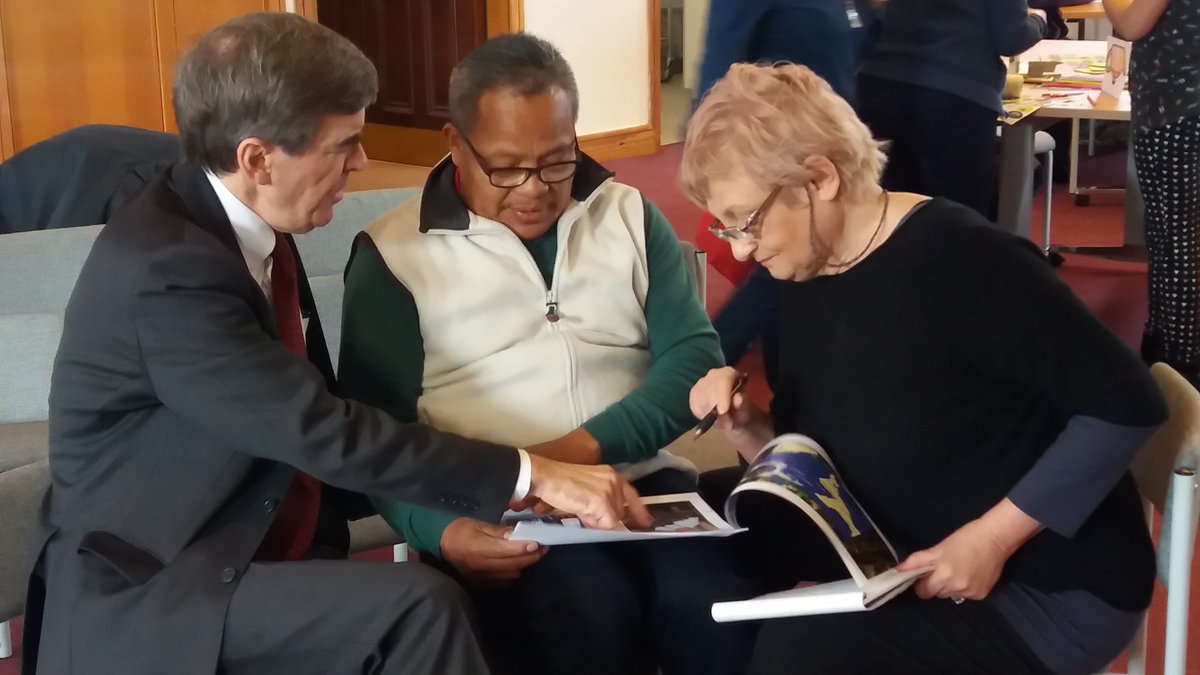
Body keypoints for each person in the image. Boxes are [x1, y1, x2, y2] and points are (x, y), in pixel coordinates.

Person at [22, 13, 647, 675]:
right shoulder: (168, 274)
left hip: (242, 536)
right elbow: (321, 428)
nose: (363, 162)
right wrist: (532, 472)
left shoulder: (251, 225)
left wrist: (448, 515)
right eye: (343, 144)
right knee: (417, 609)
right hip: (156, 582)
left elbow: (331, 419)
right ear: (257, 159)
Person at [680, 63, 1166, 675]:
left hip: (1041, 587)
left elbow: (1127, 404)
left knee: (800, 653)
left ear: (819, 179)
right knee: (697, 537)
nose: (742, 248)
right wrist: (751, 428)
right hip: (896, 540)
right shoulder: (808, 266)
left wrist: (990, 540)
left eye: (745, 222)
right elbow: (833, 454)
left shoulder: (964, 261)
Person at [338, 33, 761, 675]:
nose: (535, 189)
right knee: (588, 613)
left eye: (558, 161)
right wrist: (443, 530)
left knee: (714, 604)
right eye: (507, 167)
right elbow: (372, 435)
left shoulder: (627, 214)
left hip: (640, 482)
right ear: (456, 144)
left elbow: (692, 363)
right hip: (496, 510)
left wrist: (569, 458)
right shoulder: (392, 257)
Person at [856, 0, 1048, 218]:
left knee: (895, 210)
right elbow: (1012, 37)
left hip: (879, 86)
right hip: (953, 98)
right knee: (959, 215)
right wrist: (1038, 20)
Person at [1103, 0, 1200, 387]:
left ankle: (1178, 362)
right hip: (1181, 104)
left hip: (1175, 108)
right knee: (1173, 235)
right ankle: (1162, 343)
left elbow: (1133, 25)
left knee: (1174, 239)